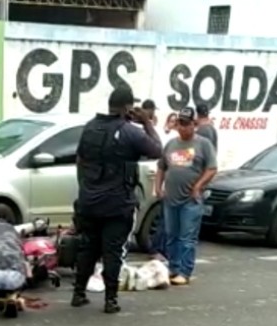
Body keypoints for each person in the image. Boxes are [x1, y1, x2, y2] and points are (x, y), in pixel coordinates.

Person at [72, 86, 162, 313]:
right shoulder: (129, 131)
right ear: (128, 107)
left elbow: (80, 160)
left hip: (89, 202)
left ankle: (78, 293)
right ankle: (110, 300)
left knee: (87, 249)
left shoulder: (90, 127)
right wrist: (147, 122)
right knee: (112, 251)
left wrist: (85, 189)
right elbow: (157, 150)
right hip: (116, 205)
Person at [154, 106, 218, 286]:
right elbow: (161, 167)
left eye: (186, 124)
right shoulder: (171, 144)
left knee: (187, 237)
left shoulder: (203, 144)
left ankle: (185, 270)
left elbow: (212, 168)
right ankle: (173, 268)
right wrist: (158, 187)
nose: (182, 128)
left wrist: (198, 186)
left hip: (190, 200)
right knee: (171, 235)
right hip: (171, 199)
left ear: (194, 124)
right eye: (179, 124)